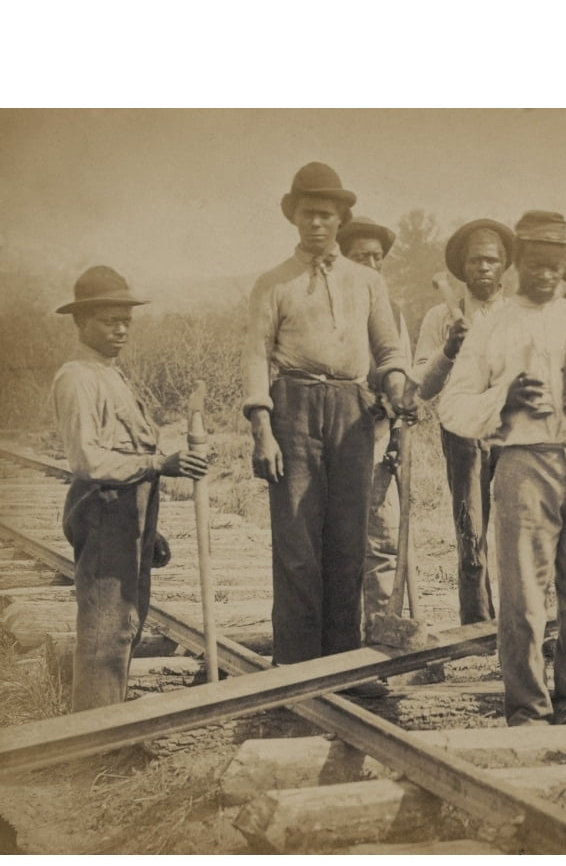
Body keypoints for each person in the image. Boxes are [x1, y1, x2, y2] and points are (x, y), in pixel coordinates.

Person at [439, 211, 566, 726]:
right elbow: (452, 406)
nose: (546, 274)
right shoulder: (494, 326)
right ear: (518, 261)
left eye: (555, 265)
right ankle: (526, 708)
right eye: (536, 263)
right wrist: (503, 398)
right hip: (525, 463)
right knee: (524, 597)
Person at [241, 163, 415, 687]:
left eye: (326, 215)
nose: (317, 224)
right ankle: (294, 668)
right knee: (297, 542)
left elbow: (387, 349)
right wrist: (262, 428)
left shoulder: (366, 281)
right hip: (292, 407)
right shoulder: (273, 283)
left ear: (341, 219)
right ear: (294, 217)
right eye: (307, 214)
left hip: (351, 410)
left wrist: (399, 383)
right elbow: (254, 357)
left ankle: (341, 665)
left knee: (347, 542)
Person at [51, 266, 208, 712]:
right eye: (107, 320)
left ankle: (105, 729)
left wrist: (146, 527)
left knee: (125, 626)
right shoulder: (78, 377)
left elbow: (126, 454)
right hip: (102, 514)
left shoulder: (111, 375)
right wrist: (160, 463)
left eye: (126, 321)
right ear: (81, 323)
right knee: (106, 631)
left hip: (125, 518)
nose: (120, 329)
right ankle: (92, 745)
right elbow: (87, 459)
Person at [413, 218, 514, 625]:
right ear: (462, 267)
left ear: (505, 265)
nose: (484, 268)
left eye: (492, 260)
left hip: (514, 433)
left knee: (520, 533)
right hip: (461, 433)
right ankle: (475, 626)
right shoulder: (441, 317)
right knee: (471, 531)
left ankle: (520, 624)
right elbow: (421, 385)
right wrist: (449, 350)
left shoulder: (522, 314)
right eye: (476, 261)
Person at [336, 215, 412, 622]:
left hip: (379, 436)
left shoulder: (392, 312)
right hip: (332, 438)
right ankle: (342, 640)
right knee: (341, 542)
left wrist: (398, 433)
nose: (370, 264)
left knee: (382, 539)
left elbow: (404, 376)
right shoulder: (328, 309)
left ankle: (380, 635)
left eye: (377, 257)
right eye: (360, 256)